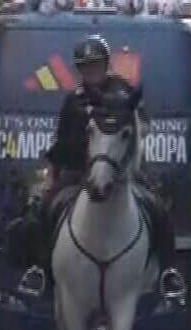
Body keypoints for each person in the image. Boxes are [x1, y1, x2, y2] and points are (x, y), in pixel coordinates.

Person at [36, 35, 183, 300]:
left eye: (96, 65)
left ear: (106, 65)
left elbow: (144, 125)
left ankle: (167, 274)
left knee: (160, 211)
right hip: (77, 172)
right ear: (79, 70)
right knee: (43, 211)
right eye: (86, 67)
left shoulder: (124, 92)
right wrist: (52, 175)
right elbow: (61, 139)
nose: (91, 72)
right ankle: (41, 272)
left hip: (121, 171)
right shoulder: (74, 101)